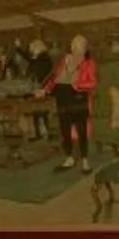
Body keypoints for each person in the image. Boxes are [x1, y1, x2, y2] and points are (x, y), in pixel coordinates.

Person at [39, 33, 99, 169]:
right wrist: (45, 90)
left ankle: (84, 160)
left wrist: (77, 86)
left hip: (78, 99)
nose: (77, 50)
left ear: (84, 49)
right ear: (72, 47)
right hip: (63, 98)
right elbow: (55, 78)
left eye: (80, 47)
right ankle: (69, 158)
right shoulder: (65, 60)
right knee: (65, 130)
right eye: (74, 46)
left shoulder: (89, 63)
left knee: (81, 131)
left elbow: (92, 83)